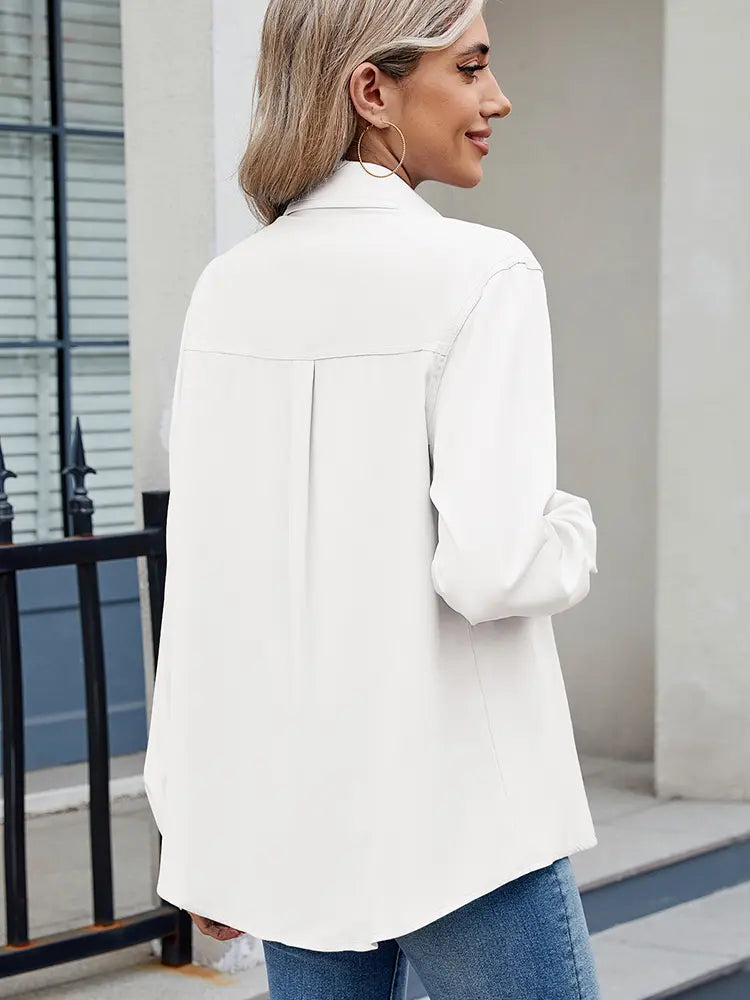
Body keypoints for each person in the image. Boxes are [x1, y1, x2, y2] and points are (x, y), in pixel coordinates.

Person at [143, 0, 602, 996]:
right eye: (471, 67)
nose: (498, 98)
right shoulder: (482, 272)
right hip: (462, 820)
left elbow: (204, 581)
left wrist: (193, 818)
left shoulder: (229, 287)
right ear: (372, 91)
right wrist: (571, 527)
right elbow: (493, 569)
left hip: (292, 819)